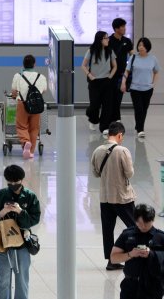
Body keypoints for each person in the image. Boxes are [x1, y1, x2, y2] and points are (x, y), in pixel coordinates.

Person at [0, 164, 42, 299]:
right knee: (3, 281)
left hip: (22, 245)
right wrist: (4, 211)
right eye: (10, 182)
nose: (13, 185)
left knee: (22, 280)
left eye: (16, 182)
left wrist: (20, 211)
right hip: (2, 245)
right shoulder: (1, 195)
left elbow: (34, 219)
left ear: (22, 180)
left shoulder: (30, 196)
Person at [91, 121, 136, 270]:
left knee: (107, 230)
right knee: (135, 227)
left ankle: (112, 261)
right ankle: (137, 256)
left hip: (105, 197)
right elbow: (129, 173)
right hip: (122, 197)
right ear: (119, 135)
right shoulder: (122, 151)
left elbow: (96, 173)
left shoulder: (97, 150)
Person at [111, 204, 164, 298]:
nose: (143, 226)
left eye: (146, 223)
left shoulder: (161, 237)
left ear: (153, 220)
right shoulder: (127, 234)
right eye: (139, 223)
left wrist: (151, 254)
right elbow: (113, 258)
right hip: (130, 286)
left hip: (153, 286)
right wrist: (130, 254)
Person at [10, 55, 48, 158]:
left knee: (22, 126)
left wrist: (15, 95)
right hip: (36, 105)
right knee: (34, 128)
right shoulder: (41, 77)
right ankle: (31, 152)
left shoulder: (18, 76)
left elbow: (14, 92)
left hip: (22, 104)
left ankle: (26, 142)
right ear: (34, 64)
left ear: (23, 64)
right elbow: (44, 90)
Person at [121, 37, 160, 137]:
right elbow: (127, 71)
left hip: (148, 89)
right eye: (139, 45)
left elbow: (156, 72)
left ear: (147, 47)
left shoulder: (153, 59)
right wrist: (123, 83)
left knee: (144, 109)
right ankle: (140, 129)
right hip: (135, 88)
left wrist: (153, 84)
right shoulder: (133, 57)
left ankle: (138, 125)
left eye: (143, 45)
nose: (141, 47)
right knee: (138, 109)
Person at [82, 31, 117, 135]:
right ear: (100, 39)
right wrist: (89, 75)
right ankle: (92, 119)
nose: (108, 40)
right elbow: (83, 65)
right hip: (94, 82)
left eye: (107, 38)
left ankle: (104, 127)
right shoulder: (91, 51)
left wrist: (110, 76)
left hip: (106, 81)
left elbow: (115, 65)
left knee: (107, 105)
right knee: (94, 105)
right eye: (106, 38)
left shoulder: (110, 51)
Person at [109, 17, 134, 124]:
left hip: (121, 75)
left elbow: (132, 55)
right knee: (110, 98)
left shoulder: (127, 41)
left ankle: (116, 119)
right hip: (109, 74)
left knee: (118, 98)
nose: (125, 28)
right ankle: (112, 119)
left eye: (124, 26)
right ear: (116, 28)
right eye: (122, 26)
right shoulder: (109, 41)